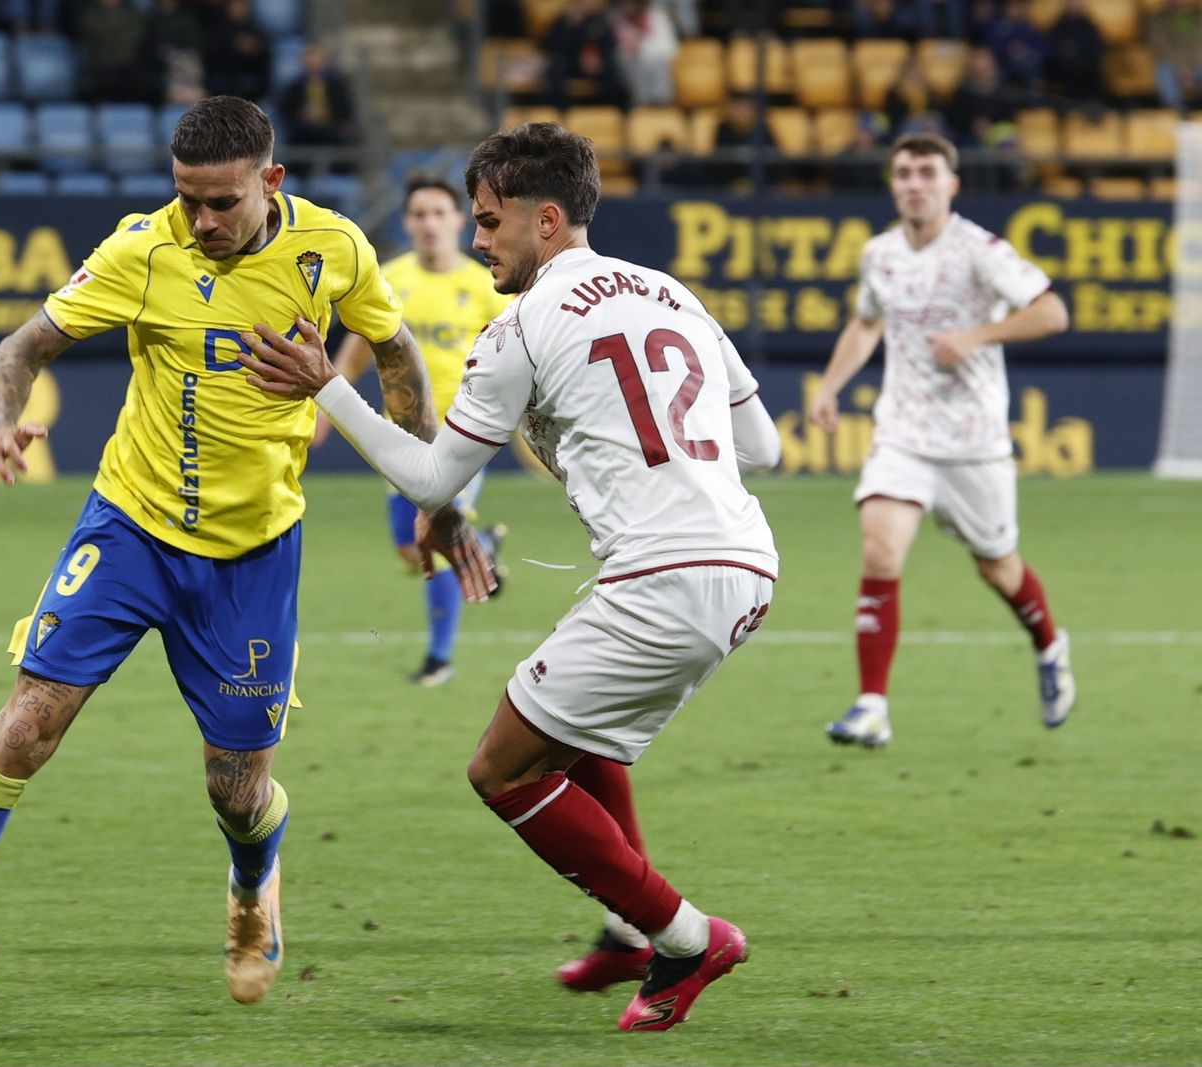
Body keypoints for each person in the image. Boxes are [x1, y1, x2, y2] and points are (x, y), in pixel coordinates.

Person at [0, 95, 494, 1034]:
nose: (200, 220)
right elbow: (23, 347)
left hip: (252, 553)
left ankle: (252, 887)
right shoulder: (143, 249)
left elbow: (396, 352)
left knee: (237, 790)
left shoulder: (333, 249)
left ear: (271, 182)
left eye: (221, 202)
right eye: (186, 198)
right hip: (130, 528)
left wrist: (435, 494)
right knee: (23, 728)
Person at [241, 122, 784, 1033]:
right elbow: (762, 447)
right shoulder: (673, 293)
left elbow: (430, 479)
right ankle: (627, 928)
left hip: (666, 578)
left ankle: (686, 936)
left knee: (501, 769)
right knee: (569, 730)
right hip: (747, 563)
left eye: (490, 221)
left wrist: (323, 385)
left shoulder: (522, 327)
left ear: (547, 219)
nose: (477, 237)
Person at [808, 132, 1074, 749]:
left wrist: (975, 337)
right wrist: (831, 386)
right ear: (893, 184)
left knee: (998, 567)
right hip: (903, 434)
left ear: (951, 184)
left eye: (927, 172)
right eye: (904, 173)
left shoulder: (980, 251)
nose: (914, 184)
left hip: (975, 441)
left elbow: (1053, 312)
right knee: (881, 551)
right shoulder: (879, 253)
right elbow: (867, 322)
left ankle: (1049, 644)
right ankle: (872, 706)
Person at [313, 174, 509, 686]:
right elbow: (356, 352)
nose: (429, 224)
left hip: (463, 437)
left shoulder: (486, 289)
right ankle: (481, 547)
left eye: (439, 213)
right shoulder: (388, 281)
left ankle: (439, 659)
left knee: (436, 539)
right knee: (409, 550)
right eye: (419, 214)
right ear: (407, 222)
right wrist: (323, 410)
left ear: (459, 220)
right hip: (400, 436)